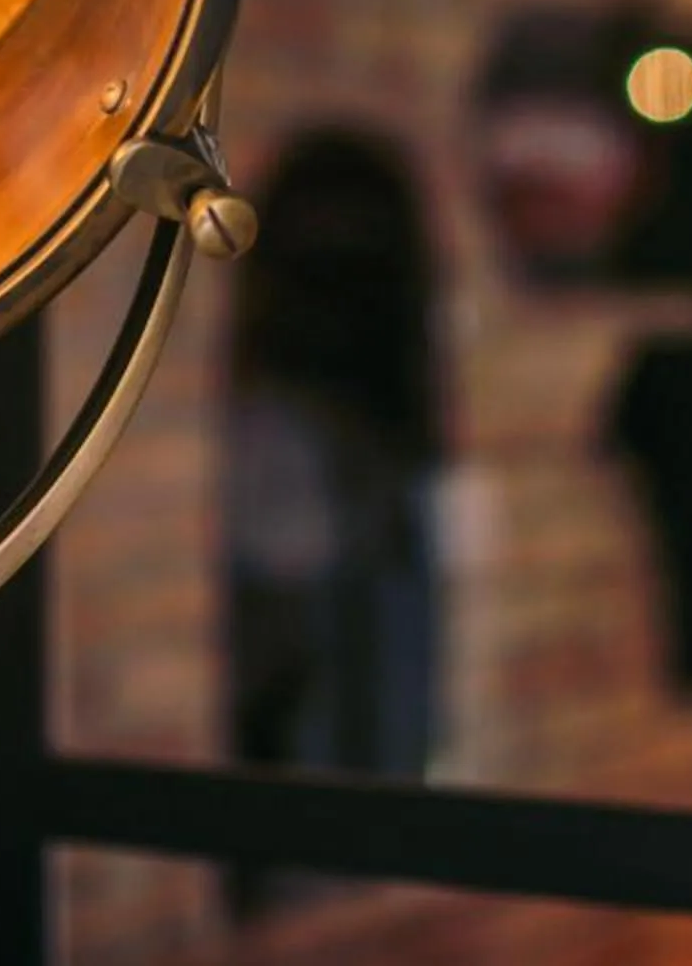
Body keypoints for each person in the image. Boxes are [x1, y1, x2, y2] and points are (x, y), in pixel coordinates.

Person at [224, 130, 445, 910]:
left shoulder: (355, 438)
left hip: (354, 574)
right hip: (305, 605)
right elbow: (285, 552)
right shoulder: (282, 424)